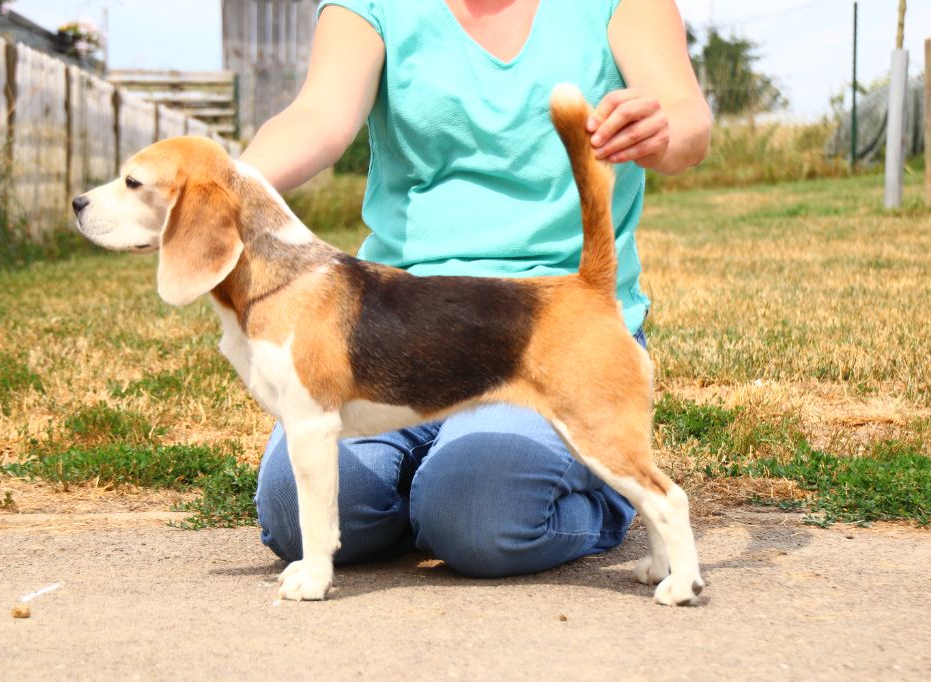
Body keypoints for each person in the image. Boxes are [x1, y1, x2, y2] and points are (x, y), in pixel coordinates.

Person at [243, 0, 710, 579]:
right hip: (393, 320)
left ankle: (600, 500)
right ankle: (432, 492)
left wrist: (664, 132)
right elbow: (318, 115)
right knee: (293, 514)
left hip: (553, 320)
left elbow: (688, 120)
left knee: (479, 519)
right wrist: (224, 189)